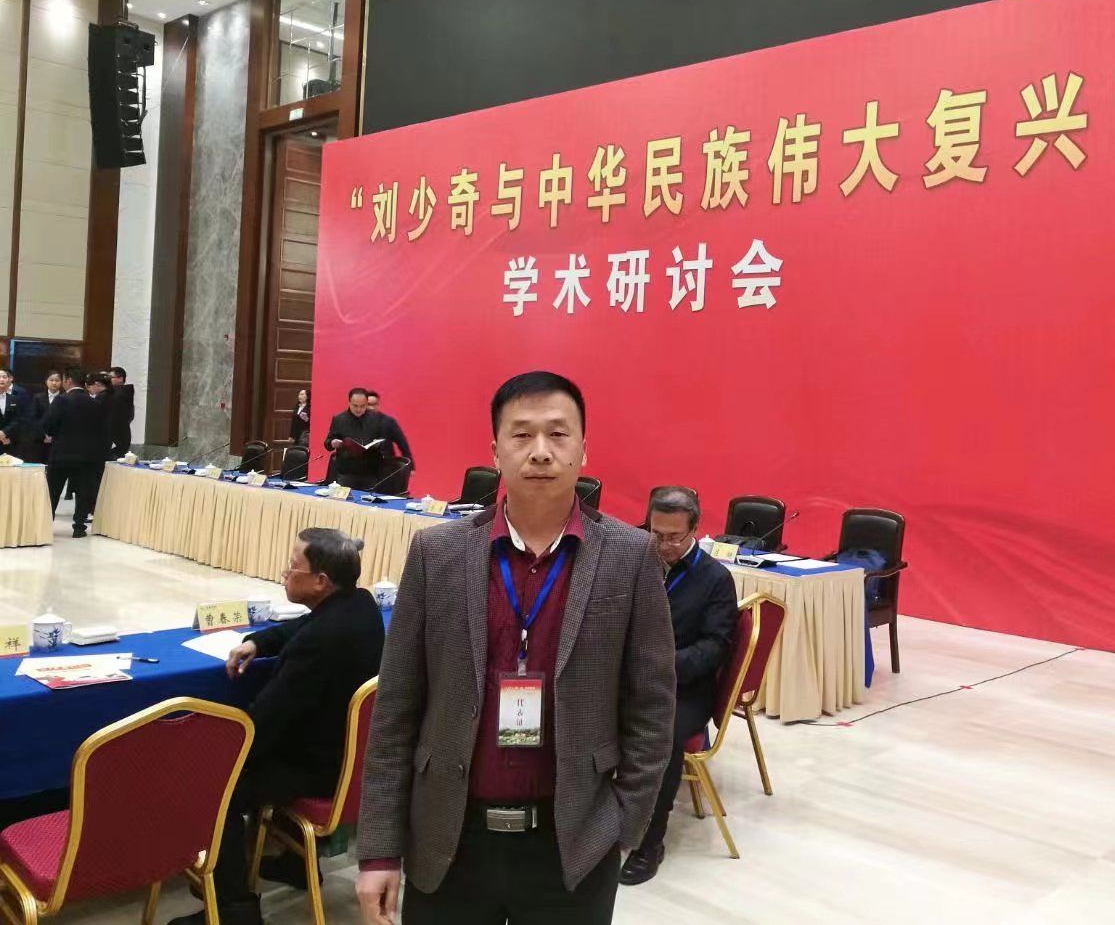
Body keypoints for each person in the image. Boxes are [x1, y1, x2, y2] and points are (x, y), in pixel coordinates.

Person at [355, 371, 675, 925]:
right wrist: (380, 850)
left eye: (558, 433)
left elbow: (652, 706)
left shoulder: (630, 556)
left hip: (573, 844)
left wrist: (624, 825)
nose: (541, 451)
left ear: (582, 448)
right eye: (522, 434)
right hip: (448, 841)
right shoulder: (437, 553)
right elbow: (396, 711)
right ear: (495, 450)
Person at [169, 528, 386, 925]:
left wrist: (221, 756)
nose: (285, 574)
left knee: (215, 786)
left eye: (292, 567)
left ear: (320, 581)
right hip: (351, 761)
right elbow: (304, 626)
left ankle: (234, 909)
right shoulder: (360, 605)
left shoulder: (317, 643)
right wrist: (259, 641)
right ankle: (295, 862)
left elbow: (266, 722)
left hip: (317, 768)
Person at [620, 487, 738, 885]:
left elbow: (715, 647)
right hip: (629, 678)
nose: (664, 545)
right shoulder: (636, 562)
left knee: (660, 735)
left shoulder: (715, 579)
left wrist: (659, 667)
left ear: (694, 530)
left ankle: (649, 842)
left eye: (674, 537)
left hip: (683, 689)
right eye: (656, 534)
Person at [42, 368, 109, 537]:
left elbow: (48, 424)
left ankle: (46, 525)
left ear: (68, 381)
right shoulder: (94, 403)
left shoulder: (61, 400)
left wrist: (54, 434)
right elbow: (102, 430)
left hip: (61, 453)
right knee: (83, 491)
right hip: (86, 456)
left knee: (53, 491)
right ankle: (79, 527)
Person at [322, 387, 392, 490]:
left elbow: (386, 442)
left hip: (371, 472)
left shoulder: (376, 419)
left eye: (362, 406)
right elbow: (327, 443)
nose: (358, 409)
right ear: (349, 403)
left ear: (367, 403)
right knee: (344, 499)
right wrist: (332, 443)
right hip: (346, 472)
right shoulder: (339, 419)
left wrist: (379, 443)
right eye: (355, 406)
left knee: (369, 499)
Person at [28, 371, 63, 463]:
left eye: (57, 380)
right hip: (40, 440)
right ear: (46, 381)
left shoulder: (65, 397)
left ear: (61, 382)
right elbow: (33, 418)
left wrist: (54, 437)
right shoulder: (38, 398)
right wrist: (44, 435)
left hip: (59, 440)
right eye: (51, 380)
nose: (54, 383)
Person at [0, 368, 30, 457]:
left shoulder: (14, 399)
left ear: (9, 380)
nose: (1, 379)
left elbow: (18, 419)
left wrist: (5, 433)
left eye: (4, 377)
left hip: (9, 441)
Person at [108, 366, 135, 459]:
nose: (107, 380)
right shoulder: (116, 393)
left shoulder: (121, 393)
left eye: (110, 377)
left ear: (120, 379)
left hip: (118, 432)